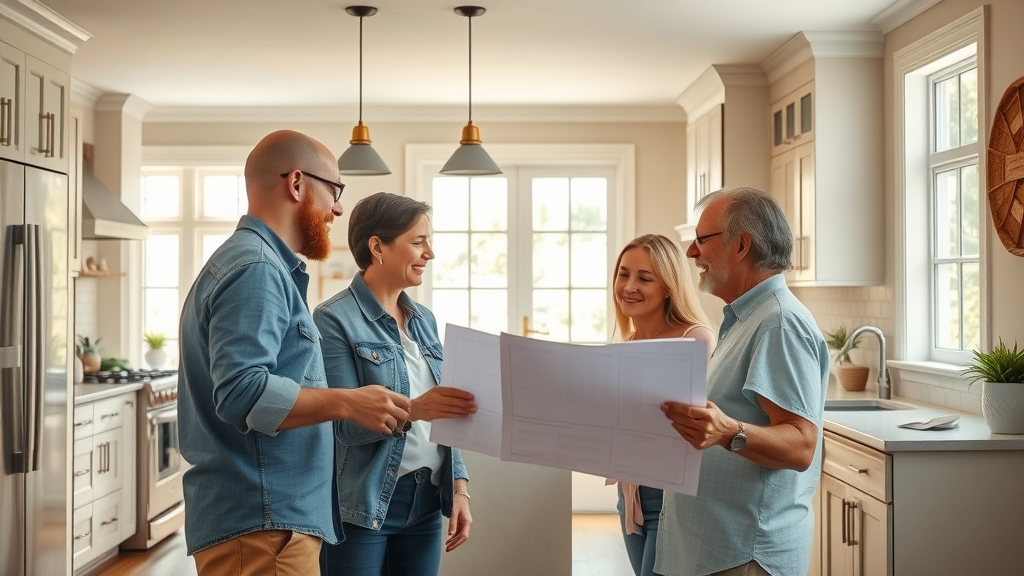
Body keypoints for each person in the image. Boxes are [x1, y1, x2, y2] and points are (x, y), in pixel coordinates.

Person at [177, 130, 412, 576]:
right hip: (264, 523)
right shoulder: (256, 269)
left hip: (266, 523)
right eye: (334, 191)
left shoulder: (251, 264)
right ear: (297, 184)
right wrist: (348, 401)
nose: (338, 208)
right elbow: (243, 392)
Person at [656, 187, 829, 576]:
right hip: (714, 548)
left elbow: (801, 444)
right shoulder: (745, 319)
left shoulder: (779, 323)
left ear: (741, 245)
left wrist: (728, 431)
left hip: (744, 555)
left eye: (702, 240)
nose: (690, 253)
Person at [314, 192, 477, 576]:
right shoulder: (333, 320)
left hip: (426, 501)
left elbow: (447, 412)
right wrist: (415, 409)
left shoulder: (424, 319)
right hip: (363, 505)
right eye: (418, 242)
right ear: (378, 247)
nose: (429, 253)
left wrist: (460, 488)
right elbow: (344, 427)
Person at [608, 234, 716, 576]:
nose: (629, 286)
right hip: (631, 495)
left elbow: (696, 426)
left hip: (672, 499)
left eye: (644, 278)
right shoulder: (628, 343)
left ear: (669, 286)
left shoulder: (694, 338)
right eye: (623, 274)